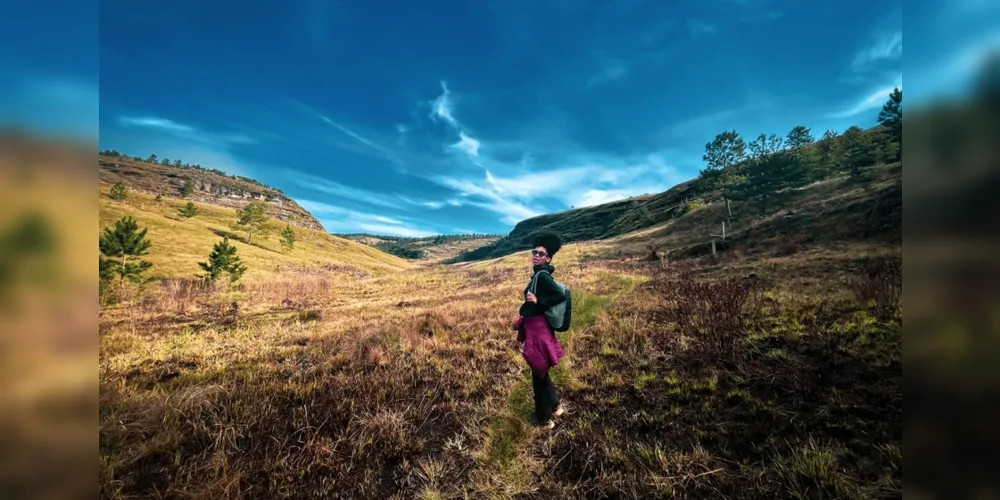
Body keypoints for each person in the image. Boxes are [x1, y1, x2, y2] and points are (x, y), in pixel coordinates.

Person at [513, 231, 567, 429]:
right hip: (536, 327)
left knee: (538, 373)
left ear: (548, 258)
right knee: (541, 371)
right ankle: (554, 406)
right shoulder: (539, 275)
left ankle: (543, 419)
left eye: (541, 253)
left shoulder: (543, 277)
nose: (536, 255)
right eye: (534, 252)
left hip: (538, 331)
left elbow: (559, 296)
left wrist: (539, 301)